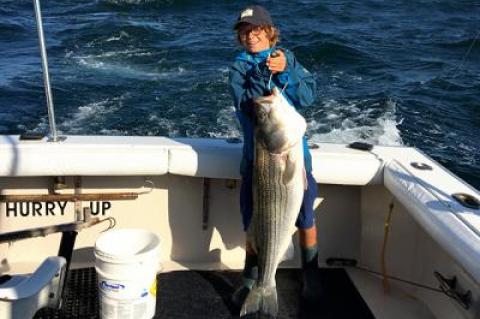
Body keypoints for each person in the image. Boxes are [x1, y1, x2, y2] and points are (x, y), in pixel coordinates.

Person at [228, 4, 322, 309]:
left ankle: (311, 275)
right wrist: (262, 74)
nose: (250, 37)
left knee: (306, 219)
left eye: (255, 30)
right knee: (255, 223)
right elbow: (247, 104)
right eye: (244, 33)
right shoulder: (238, 68)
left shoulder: (288, 59)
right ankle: (251, 280)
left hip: (294, 160)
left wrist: (288, 70)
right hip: (256, 161)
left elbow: (307, 97)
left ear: (269, 32)